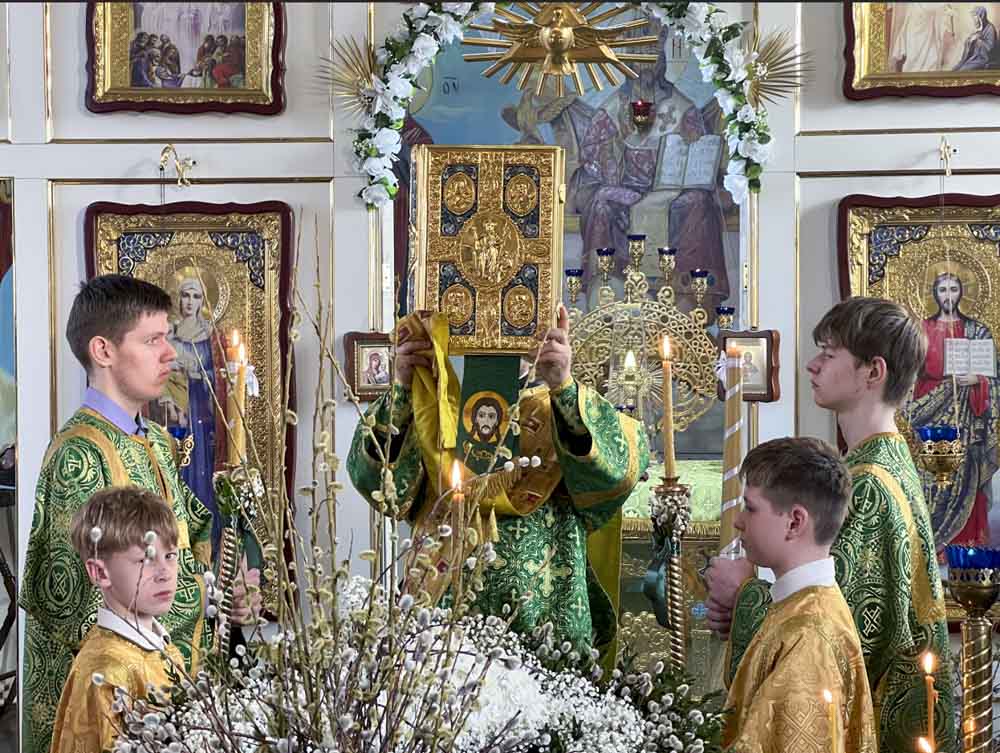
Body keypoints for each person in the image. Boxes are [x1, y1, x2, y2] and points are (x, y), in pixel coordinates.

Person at [20, 274, 260, 753]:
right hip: (104, 708)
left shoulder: (153, 441)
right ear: (103, 351)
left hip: (161, 690)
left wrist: (233, 582)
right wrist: (205, 602)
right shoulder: (80, 455)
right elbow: (79, 607)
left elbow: (192, 536)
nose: (170, 353)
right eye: (152, 340)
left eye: (167, 338)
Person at [706, 297, 956, 753]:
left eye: (829, 353)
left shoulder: (869, 484)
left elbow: (834, 638)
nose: (812, 365)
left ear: (872, 372)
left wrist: (744, 594)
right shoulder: (883, 461)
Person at [347, 304, 649, 654]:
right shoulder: (434, 409)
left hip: (545, 616)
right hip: (442, 621)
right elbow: (380, 486)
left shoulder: (560, 406)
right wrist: (402, 387)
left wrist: (563, 386)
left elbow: (612, 476)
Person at [722, 437, 876, 753]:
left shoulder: (809, 636)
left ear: (794, 522)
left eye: (750, 508)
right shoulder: (801, 606)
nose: (738, 521)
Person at [50, 487, 185, 753]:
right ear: (100, 573)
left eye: (170, 556)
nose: (165, 573)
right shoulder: (105, 672)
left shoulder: (164, 647)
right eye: (145, 560)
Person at [911, 270, 999, 546]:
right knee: (929, 479)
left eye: (953, 289)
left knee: (967, 474)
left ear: (962, 293)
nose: (948, 295)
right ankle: (931, 544)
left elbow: (993, 378)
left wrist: (978, 380)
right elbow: (911, 375)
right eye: (943, 290)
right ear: (934, 294)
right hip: (929, 416)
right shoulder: (921, 331)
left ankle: (967, 542)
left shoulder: (977, 331)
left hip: (967, 421)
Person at [159, 276, 229, 552]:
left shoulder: (211, 335)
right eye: (185, 295)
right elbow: (161, 370)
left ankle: (210, 543)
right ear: (179, 299)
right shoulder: (170, 334)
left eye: (196, 296)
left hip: (203, 410)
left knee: (203, 467)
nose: (190, 302)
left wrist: (198, 373)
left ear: (203, 301)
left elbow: (219, 374)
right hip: (178, 412)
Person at [954, 6, 998, 70]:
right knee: (955, 68)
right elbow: (969, 42)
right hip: (973, 57)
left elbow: (990, 48)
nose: (974, 20)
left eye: (975, 17)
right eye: (973, 17)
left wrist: (978, 40)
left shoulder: (990, 28)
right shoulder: (978, 27)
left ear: (981, 17)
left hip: (982, 59)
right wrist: (969, 40)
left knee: (963, 70)